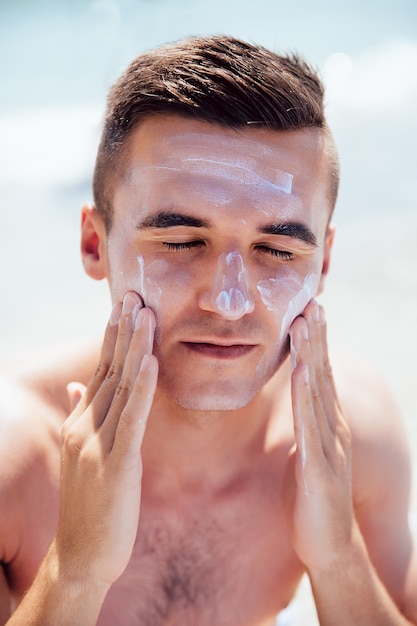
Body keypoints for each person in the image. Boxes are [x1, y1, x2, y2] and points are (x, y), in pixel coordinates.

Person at [0, 34, 416, 626]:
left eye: (276, 250)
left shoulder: (348, 443)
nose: (228, 301)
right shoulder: (13, 458)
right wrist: (75, 570)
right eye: (181, 241)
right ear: (95, 244)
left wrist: (338, 559)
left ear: (321, 264)